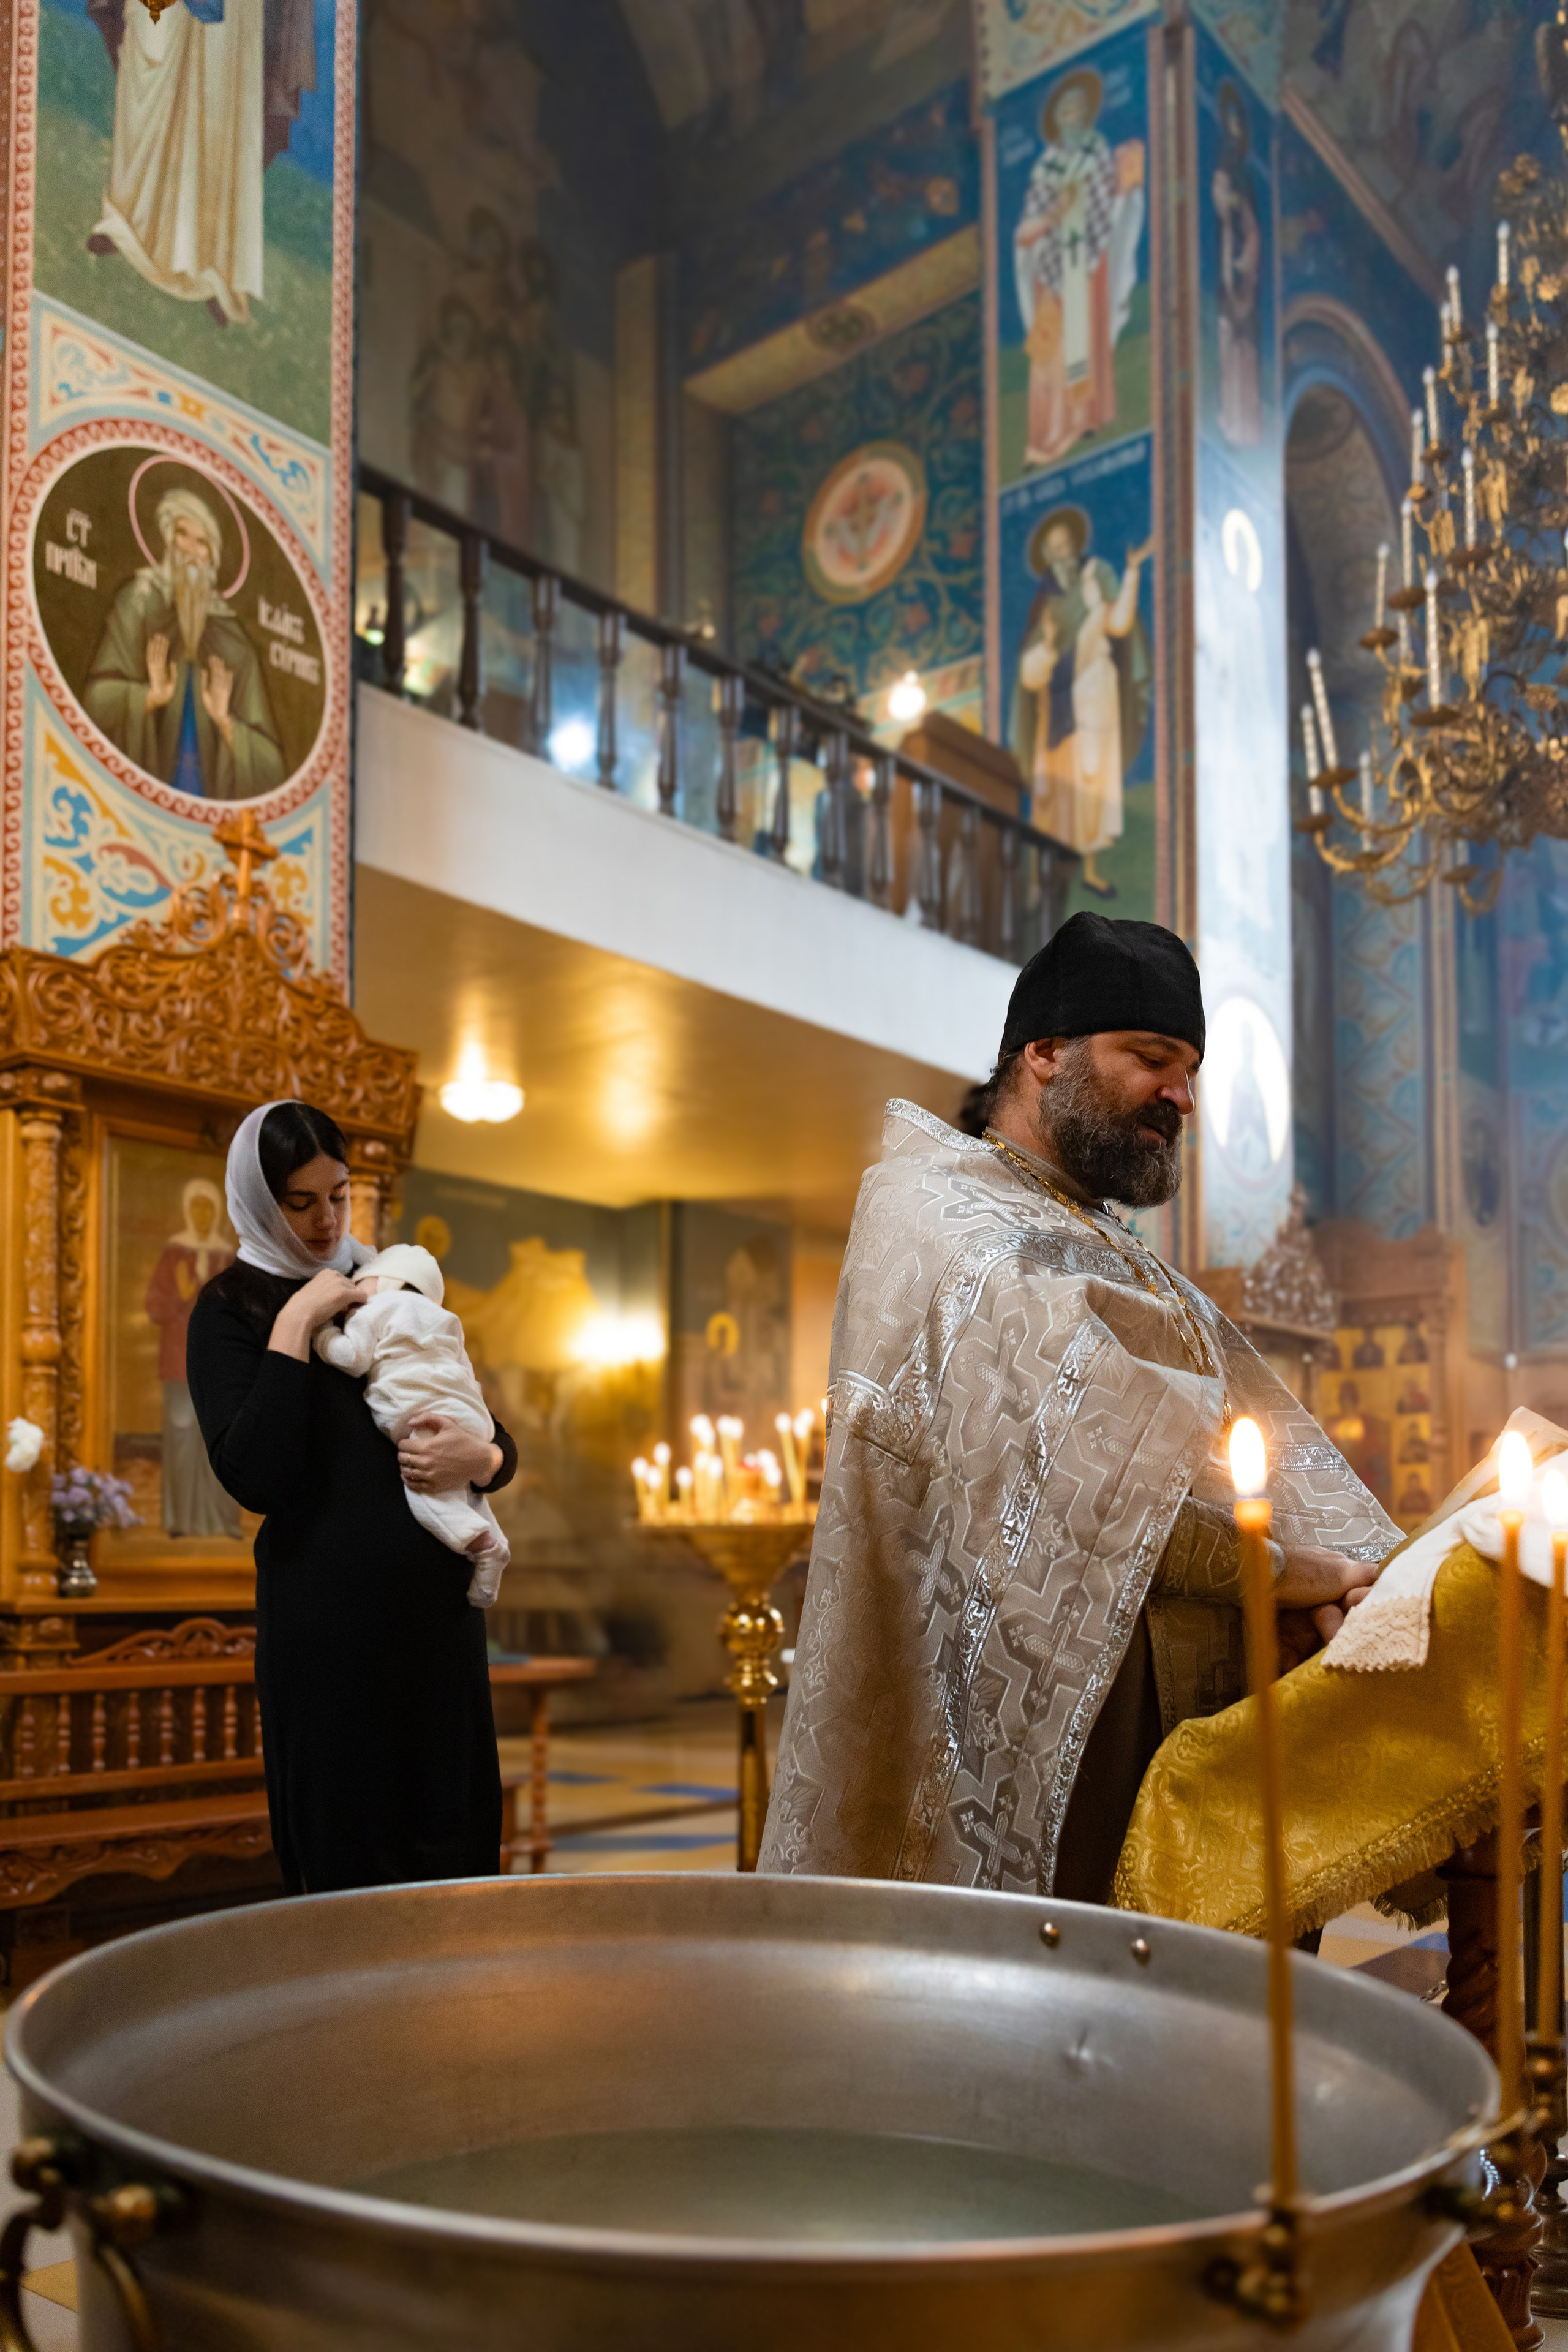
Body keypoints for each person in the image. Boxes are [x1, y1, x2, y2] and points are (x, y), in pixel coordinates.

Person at [760, 913, 1395, 1901]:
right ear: (1045, 1053)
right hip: (1028, 1749)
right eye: (1152, 1058)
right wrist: (1297, 1571)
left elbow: (1234, 1458)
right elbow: (1097, 1480)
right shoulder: (946, 1223)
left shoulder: (1095, 1237)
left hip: (1171, 1727)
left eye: (1189, 1069)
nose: (1181, 1096)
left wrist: (1360, 1580)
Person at [186, 1099, 513, 1893]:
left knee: (453, 1851)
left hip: (438, 1633)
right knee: (347, 1859)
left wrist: (488, 1455)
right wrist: (297, 1321)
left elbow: (469, 1408)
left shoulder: (388, 1283)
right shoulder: (230, 1311)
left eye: (339, 1195)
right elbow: (254, 1475)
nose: (327, 1219)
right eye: (301, 1203)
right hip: (328, 1643)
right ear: (262, 1202)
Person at [314, 1243, 510, 1607]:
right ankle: (494, 1538)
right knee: (462, 1491)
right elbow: (466, 1373)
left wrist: (322, 1333)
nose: (356, 1294)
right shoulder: (445, 1318)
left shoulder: (374, 1309)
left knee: (425, 1491)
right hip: (469, 1416)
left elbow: (352, 1359)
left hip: (421, 1416)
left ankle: (484, 1547)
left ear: (385, 1280)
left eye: (362, 1284)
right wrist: (480, 1439)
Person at [83, 486, 285, 801]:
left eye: (201, 541)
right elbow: (96, 701)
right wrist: (148, 697)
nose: (190, 549)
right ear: (168, 539)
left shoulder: (234, 642)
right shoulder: (138, 603)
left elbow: (272, 766)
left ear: (212, 555)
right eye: (182, 534)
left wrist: (226, 723)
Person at [145, 1176, 239, 1539]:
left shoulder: (228, 1257)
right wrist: (182, 1296)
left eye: (208, 1208)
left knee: (221, 1439)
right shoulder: (174, 1253)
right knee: (183, 1438)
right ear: (188, 1210)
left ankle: (222, 1521)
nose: (202, 1214)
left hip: (223, 1368)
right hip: (178, 1361)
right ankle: (182, 1520)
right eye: (196, 1207)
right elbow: (155, 1305)